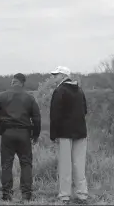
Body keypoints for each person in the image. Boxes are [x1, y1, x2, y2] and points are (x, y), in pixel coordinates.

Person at [0, 73, 41, 202]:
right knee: (26, 163)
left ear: (13, 82)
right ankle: (26, 195)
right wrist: (35, 135)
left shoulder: (2, 96)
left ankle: (6, 195)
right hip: (24, 134)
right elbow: (36, 118)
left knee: (6, 164)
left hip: (7, 133)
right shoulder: (29, 98)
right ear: (23, 83)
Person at [49, 66, 89, 204]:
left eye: (56, 75)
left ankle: (65, 196)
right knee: (79, 164)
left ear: (63, 76)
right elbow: (85, 110)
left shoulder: (59, 91)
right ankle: (82, 194)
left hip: (64, 133)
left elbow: (55, 115)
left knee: (65, 165)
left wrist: (53, 135)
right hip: (81, 132)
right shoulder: (79, 90)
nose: (54, 77)